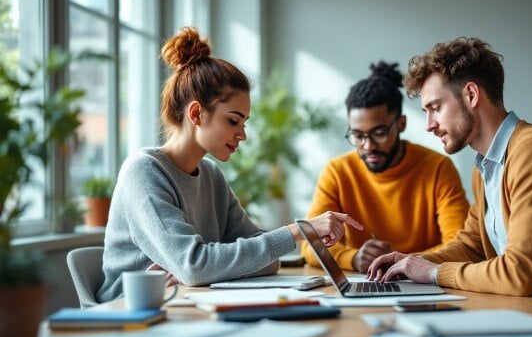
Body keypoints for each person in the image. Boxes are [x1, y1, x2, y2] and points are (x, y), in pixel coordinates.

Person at [367, 38, 532, 320]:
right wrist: (411, 262)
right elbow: (471, 246)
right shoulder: (486, 165)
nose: (430, 125)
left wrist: (433, 273)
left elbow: (523, 272)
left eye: (436, 108)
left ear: (471, 95)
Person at [97, 27, 362, 302]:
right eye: (233, 121)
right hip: (127, 312)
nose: (242, 134)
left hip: (182, 303)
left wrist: (209, 265)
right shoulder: (144, 172)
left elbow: (267, 262)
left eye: (244, 123)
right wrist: (299, 231)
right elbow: (196, 266)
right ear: (197, 113)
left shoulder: (211, 175)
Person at [301, 61, 469, 273]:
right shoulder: (337, 172)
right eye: (358, 135)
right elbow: (310, 244)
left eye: (379, 133)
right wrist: (353, 259)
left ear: (401, 123)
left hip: (423, 280)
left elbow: (461, 245)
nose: (368, 146)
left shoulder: (437, 168)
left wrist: (405, 262)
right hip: (367, 281)